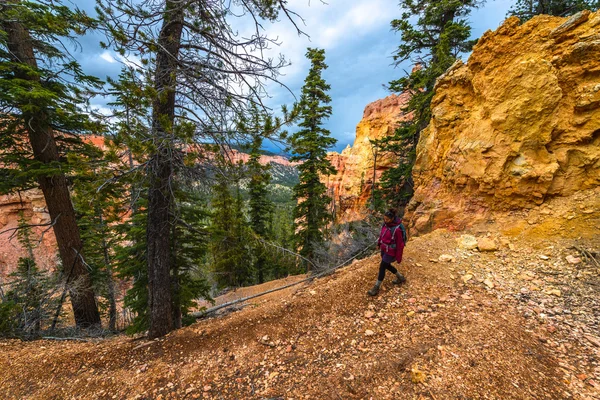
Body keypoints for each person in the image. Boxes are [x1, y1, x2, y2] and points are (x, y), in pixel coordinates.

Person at [368, 208, 406, 296]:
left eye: (387, 219)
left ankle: (376, 287)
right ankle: (400, 277)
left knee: (382, 267)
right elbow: (382, 235)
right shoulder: (385, 225)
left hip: (391, 252)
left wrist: (398, 257)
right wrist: (378, 244)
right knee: (387, 265)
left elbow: (400, 244)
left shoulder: (396, 229)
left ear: (392, 218)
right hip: (384, 249)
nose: (385, 221)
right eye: (384, 219)